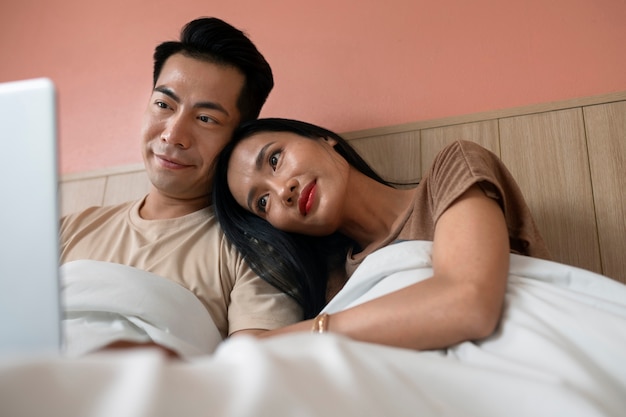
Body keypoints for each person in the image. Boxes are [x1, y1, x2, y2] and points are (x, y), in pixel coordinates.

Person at [60, 18, 301, 355]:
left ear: (238, 137)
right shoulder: (66, 230)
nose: (173, 134)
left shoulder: (254, 250)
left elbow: (255, 369)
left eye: (206, 119)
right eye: (163, 105)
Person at [212, 118, 552, 351]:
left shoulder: (450, 173)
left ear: (324, 138)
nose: (282, 190)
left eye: (275, 159)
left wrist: (279, 341)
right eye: (262, 201)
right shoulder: (335, 289)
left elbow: (469, 304)